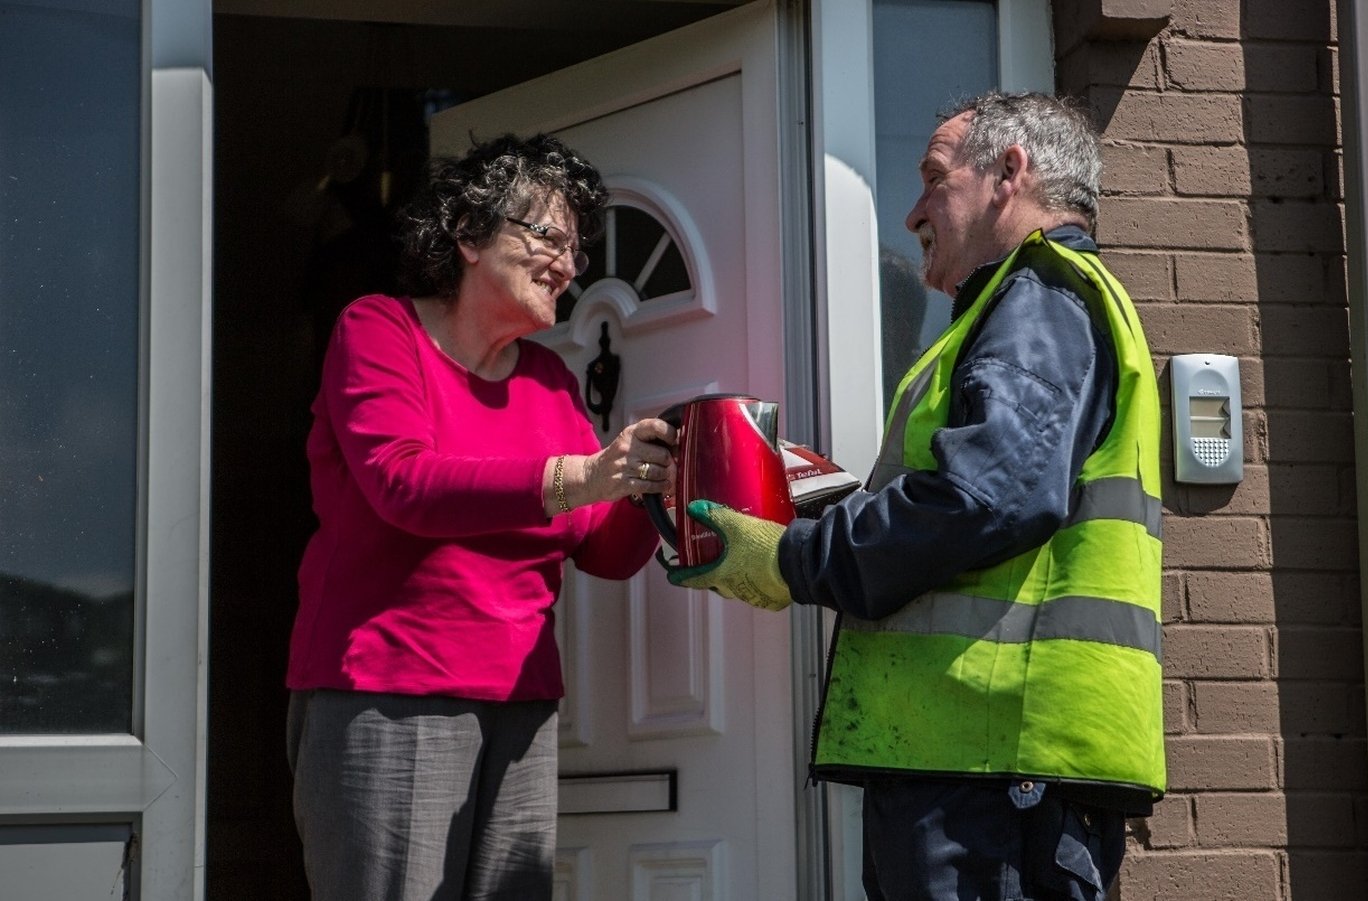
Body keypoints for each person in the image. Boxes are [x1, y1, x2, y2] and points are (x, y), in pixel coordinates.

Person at [669, 91, 1164, 900]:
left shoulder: (1040, 295)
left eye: (934, 178)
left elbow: (987, 496)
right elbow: (971, 492)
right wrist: (802, 492)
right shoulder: (1029, 306)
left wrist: (791, 558)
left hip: (997, 768)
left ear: (1010, 173)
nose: (911, 213)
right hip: (987, 767)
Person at [284, 133, 678, 901]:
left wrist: (661, 488)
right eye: (548, 236)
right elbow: (404, 482)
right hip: (391, 692)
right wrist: (581, 476)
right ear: (467, 235)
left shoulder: (550, 379)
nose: (567, 263)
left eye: (576, 249)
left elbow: (596, 545)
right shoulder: (379, 331)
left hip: (522, 705)